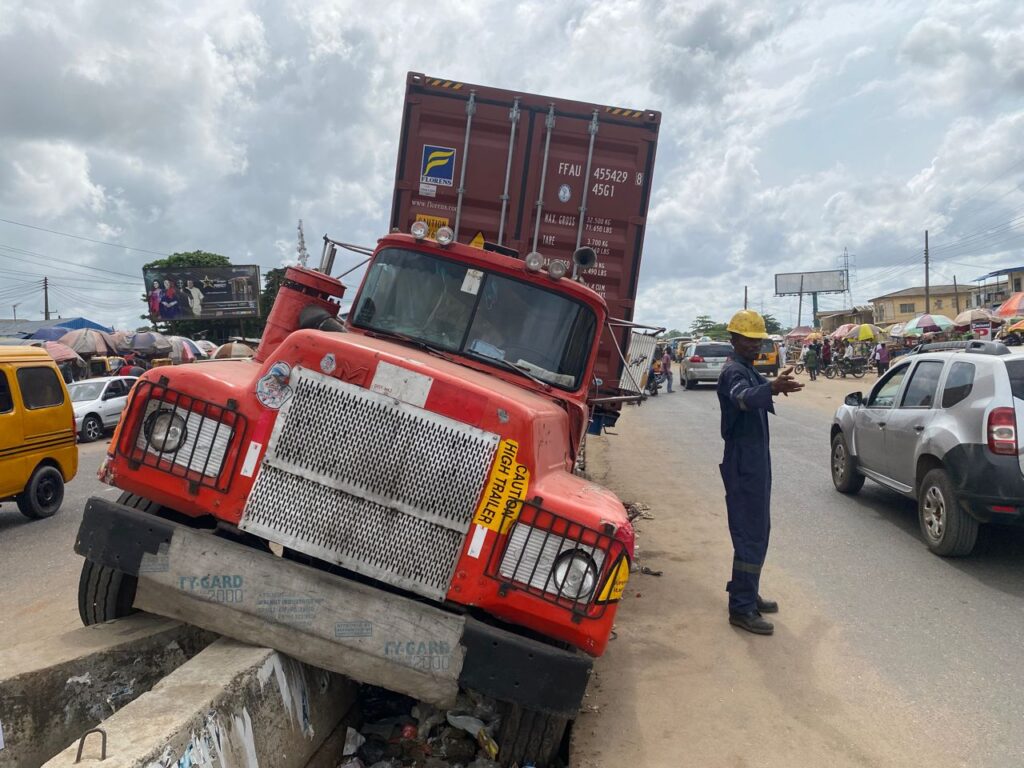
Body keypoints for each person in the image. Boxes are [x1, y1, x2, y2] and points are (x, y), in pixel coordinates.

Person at [717, 310, 803, 635]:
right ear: (734, 339)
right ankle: (741, 608)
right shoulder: (733, 373)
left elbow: (755, 390)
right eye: (748, 340)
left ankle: (747, 592)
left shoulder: (748, 370)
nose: (754, 345)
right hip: (743, 463)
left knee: (759, 529)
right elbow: (742, 397)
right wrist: (771, 388)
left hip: (755, 461)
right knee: (749, 532)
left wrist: (774, 386)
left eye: (758, 340)